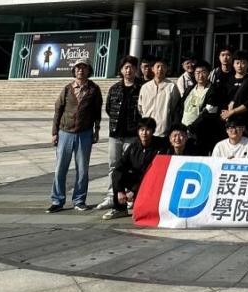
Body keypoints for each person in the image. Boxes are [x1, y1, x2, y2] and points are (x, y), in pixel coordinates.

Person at [48, 60, 102, 212]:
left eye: (84, 68)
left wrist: (96, 130)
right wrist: (54, 132)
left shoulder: (94, 89)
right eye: (78, 68)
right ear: (74, 71)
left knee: (82, 169)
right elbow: (58, 110)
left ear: (88, 71)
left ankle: (79, 200)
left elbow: (97, 111)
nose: (80, 71)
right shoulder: (67, 89)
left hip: (84, 133)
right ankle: (57, 200)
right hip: (65, 132)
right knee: (60, 167)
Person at [97, 55, 143, 211]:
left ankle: (130, 196)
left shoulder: (141, 87)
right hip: (115, 134)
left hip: (132, 135)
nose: (128, 70)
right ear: (121, 70)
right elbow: (109, 109)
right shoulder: (115, 88)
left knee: (131, 167)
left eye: (131, 67)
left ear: (136, 69)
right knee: (114, 166)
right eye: (126, 67)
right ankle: (112, 195)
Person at [101, 117, 167, 220]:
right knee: (117, 174)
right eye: (142, 130)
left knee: (141, 212)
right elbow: (119, 167)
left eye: (147, 130)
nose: (144, 133)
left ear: (153, 131)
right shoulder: (133, 147)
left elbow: (153, 173)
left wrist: (134, 191)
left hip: (151, 182)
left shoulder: (160, 146)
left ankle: (140, 203)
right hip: (136, 180)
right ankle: (120, 209)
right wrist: (120, 191)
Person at [179, 60, 217, 155]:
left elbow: (208, 113)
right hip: (184, 132)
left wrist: (191, 128)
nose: (200, 76)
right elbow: (180, 107)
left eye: (203, 72)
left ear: (209, 73)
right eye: (197, 73)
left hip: (200, 134)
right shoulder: (189, 89)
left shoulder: (213, 91)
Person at [218, 50, 248, 137]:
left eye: (243, 63)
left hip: (246, 123)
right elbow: (221, 99)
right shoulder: (226, 80)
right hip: (229, 123)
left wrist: (232, 111)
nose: (239, 65)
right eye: (237, 63)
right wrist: (225, 113)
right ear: (233, 64)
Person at [138, 59, 179, 138]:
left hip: (163, 129)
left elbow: (174, 107)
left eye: (163, 67)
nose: (160, 69)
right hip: (146, 130)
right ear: (152, 69)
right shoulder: (145, 87)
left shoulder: (171, 86)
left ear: (166, 69)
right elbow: (140, 108)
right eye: (158, 66)